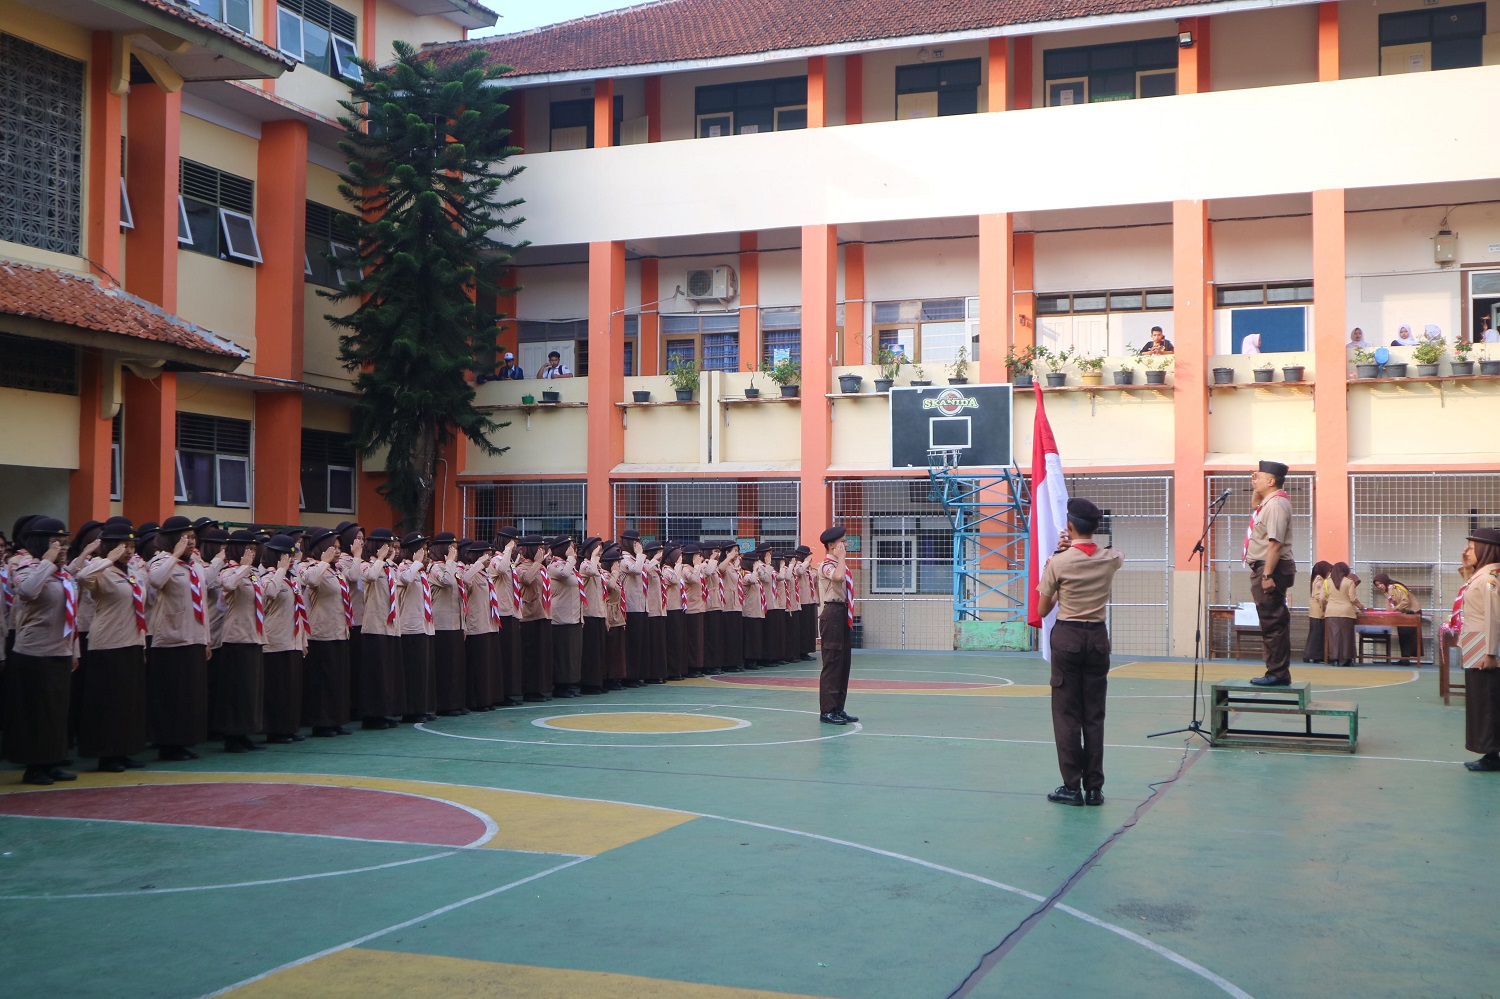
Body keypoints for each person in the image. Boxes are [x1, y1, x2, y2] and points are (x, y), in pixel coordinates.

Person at [1037, 498, 1124, 807]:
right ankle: (1095, 788)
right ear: (1096, 527)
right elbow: (1114, 554)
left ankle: (1071, 786)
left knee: (1067, 715)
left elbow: (1043, 609)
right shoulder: (1111, 558)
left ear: (1069, 526)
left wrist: (1060, 555)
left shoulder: (1058, 562)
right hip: (1098, 638)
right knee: (1094, 715)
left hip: (1068, 636)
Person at [3, 517, 78, 785]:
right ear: (40, 543)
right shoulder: (27, 568)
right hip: (34, 652)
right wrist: (46, 562)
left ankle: (52, 761)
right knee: (36, 712)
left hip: (60, 651)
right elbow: (26, 591)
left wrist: (74, 650)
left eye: (65, 542)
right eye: (55, 542)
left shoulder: (64, 574)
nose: (62, 548)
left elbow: (71, 614)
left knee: (56, 712)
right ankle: (34, 767)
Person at [75, 522, 149, 772]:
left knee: (128, 701)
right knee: (109, 702)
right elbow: (82, 577)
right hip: (108, 643)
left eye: (131, 546)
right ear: (110, 546)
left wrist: (142, 644)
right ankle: (107, 754)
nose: (128, 551)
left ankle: (124, 749)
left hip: (132, 641)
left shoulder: (132, 572)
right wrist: (107, 559)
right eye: (122, 546)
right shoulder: (100, 569)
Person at [1245, 460, 1297, 686]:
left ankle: (1277, 673)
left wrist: (1267, 576)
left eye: (1260, 476)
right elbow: (1255, 504)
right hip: (1267, 567)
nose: (1255, 479)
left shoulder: (1276, 505)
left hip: (1271, 568)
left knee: (1273, 623)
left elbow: (1275, 544)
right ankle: (1276, 671)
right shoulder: (1269, 502)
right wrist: (1256, 487)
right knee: (1271, 622)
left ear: (1271, 481)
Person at [1457, 528, 1500, 772]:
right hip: (1478, 646)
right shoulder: (1483, 575)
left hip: (1484, 650)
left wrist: (1491, 653)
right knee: (1483, 700)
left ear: (1485, 549)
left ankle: (1492, 755)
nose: (1467, 551)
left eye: (1472, 547)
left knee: (1486, 703)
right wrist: (1467, 567)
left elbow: (1494, 617)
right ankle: (1490, 752)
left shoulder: (1489, 579)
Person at [816, 527, 858, 726]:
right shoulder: (826, 565)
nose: (845, 545)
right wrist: (841, 557)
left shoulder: (839, 564)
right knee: (832, 663)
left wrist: (841, 559)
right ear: (831, 545)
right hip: (832, 613)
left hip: (842, 613)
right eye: (842, 541)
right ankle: (827, 710)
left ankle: (838, 707)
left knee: (843, 663)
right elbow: (838, 578)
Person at [1373, 572, 1421, 664]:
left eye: (1380, 583)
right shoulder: (1387, 590)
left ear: (1385, 581)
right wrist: (1388, 612)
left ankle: (1406, 659)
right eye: (1377, 585)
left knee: (1407, 635)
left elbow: (1405, 601)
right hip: (1403, 613)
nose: (1379, 586)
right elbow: (1391, 603)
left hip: (1412, 612)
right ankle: (1405, 658)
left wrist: (1394, 609)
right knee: (1402, 634)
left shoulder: (1395, 587)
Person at [1323, 562, 1363, 668]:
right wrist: (1360, 606)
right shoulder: (1349, 582)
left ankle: (1335, 659)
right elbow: (1352, 598)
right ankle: (1346, 660)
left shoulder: (1326, 582)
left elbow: (1322, 598)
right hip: (1346, 612)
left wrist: (1324, 608)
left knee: (1334, 636)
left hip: (1331, 612)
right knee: (1347, 636)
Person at [1303, 560, 1332, 664]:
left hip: (1316, 611)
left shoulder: (1318, 578)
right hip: (1318, 611)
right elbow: (1318, 596)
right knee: (1317, 634)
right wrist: (1328, 602)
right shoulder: (1319, 579)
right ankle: (1313, 655)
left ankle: (1312, 655)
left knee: (1316, 634)